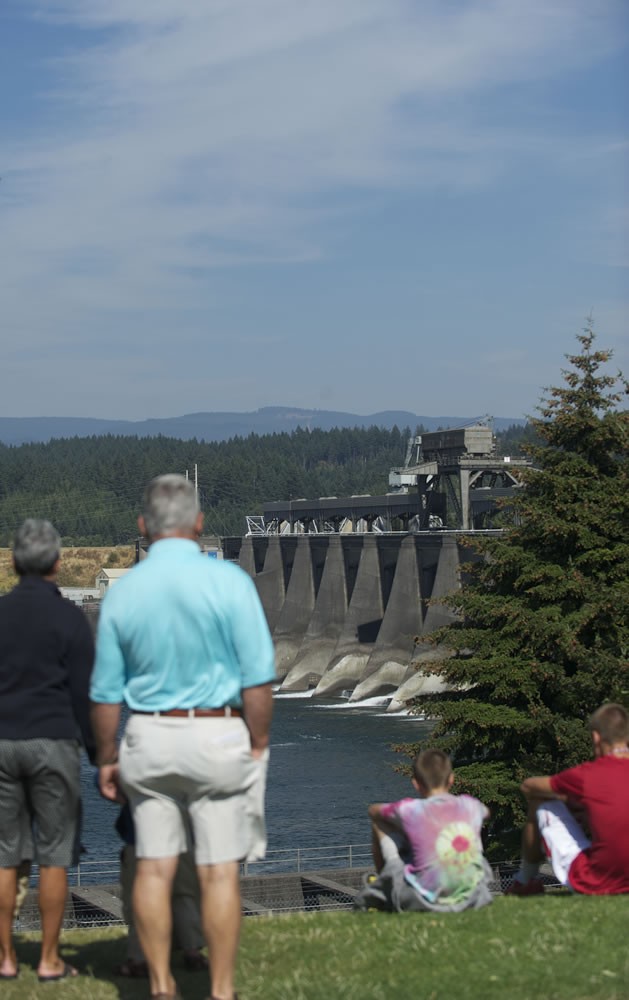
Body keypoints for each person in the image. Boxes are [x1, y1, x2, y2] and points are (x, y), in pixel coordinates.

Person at [90, 474, 275, 1000]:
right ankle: (219, 989)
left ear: (144, 527)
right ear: (198, 523)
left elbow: (105, 694)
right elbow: (257, 680)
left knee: (152, 865)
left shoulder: (125, 593)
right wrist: (257, 742)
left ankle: (162, 985)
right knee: (218, 872)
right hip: (218, 732)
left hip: (149, 733)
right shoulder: (231, 583)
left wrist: (106, 758)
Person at [0, 519, 96, 981]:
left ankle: (5, 958)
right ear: (58, 564)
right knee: (54, 854)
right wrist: (100, 753)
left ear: (15, 563)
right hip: (54, 741)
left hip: (1, 741)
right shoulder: (69, 618)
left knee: (5, 854)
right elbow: (84, 694)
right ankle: (49, 959)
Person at [507, 702, 629, 896]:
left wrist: (568, 799)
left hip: (599, 880)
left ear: (596, 737)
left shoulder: (589, 775)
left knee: (541, 802)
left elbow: (529, 786)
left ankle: (524, 881)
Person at [355, 748, 493, 913]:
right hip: (473, 897)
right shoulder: (470, 806)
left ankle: (385, 883)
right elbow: (486, 813)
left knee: (379, 824)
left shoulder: (410, 809)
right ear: (451, 780)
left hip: (423, 900)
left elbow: (373, 811)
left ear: (416, 784)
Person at [114, 803, 208, 978]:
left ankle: (139, 958)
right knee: (184, 897)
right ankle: (192, 952)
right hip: (184, 838)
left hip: (144, 838)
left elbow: (111, 787)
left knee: (141, 899)